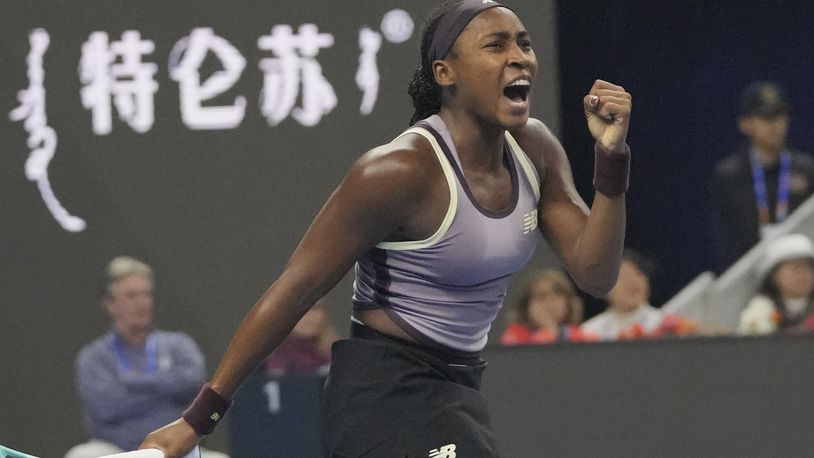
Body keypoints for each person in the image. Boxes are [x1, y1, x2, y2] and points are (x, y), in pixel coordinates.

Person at [141, 1, 632, 456]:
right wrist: (197, 420)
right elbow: (294, 290)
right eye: (496, 45)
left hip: (458, 388)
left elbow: (595, 275)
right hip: (383, 393)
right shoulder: (396, 173)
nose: (519, 57)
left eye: (524, 42)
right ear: (446, 73)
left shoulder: (535, 149)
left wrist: (611, 160)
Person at [66, 257, 227, 458]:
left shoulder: (178, 345)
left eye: (146, 294)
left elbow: (194, 384)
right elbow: (106, 408)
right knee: (82, 455)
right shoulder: (94, 357)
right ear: (110, 304)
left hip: (176, 449)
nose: (142, 302)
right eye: (132, 295)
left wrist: (134, 383)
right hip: (119, 450)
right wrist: (166, 396)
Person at [711, 81, 814, 272]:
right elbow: (724, 240)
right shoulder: (730, 176)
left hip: (802, 274)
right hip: (750, 276)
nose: (774, 125)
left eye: (779, 116)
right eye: (766, 117)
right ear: (745, 124)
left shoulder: (806, 169)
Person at [582, 250, 696, 340]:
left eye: (639, 274)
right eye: (624, 276)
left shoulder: (669, 326)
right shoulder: (589, 332)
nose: (633, 282)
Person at [738, 233, 814, 335]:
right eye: (796, 268)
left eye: (809, 268)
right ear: (775, 275)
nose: (803, 274)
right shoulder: (761, 309)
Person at [501, 269, 598, 344]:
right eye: (541, 296)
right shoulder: (514, 335)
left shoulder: (583, 337)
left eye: (557, 294)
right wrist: (548, 330)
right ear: (526, 305)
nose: (549, 302)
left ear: (568, 302)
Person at [263, 300, 338, 376]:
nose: (309, 316)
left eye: (315, 308)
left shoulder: (336, 352)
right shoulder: (278, 357)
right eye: (301, 311)